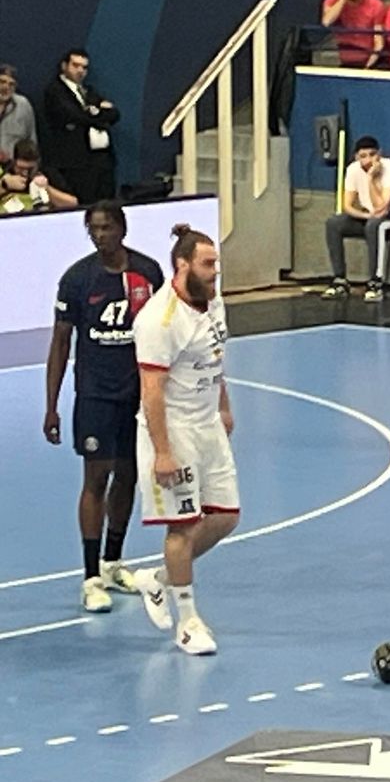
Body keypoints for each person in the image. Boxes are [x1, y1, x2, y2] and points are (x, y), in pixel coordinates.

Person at [43, 203, 163, 613]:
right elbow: (61, 342)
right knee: (96, 478)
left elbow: (164, 334)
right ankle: (91, 577)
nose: (99, 236)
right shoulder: (77, 279)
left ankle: (113, 563)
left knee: (128, 476)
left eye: (106, 228)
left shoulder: (147, 273)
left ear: (122, 229)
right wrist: (52, 406)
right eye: (93, 229)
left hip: (137, 395)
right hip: (96, 394)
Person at [130, 226, 238, 655]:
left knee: (226, 517)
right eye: (207, 264)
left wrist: (223, 405)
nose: (215, 271)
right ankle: (188, 623)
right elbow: (151, 390)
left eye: (216, 263)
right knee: (182, 525)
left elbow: (215, 354)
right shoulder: (159, 320)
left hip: (207, 423)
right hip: (174, 431)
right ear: (182, 265)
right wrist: (162, 452)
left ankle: (158, 579)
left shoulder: (213, 299)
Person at [322, 135, 390, 302]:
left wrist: (371, 179)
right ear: (356, 157)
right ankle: (340, 280)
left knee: (373, 225)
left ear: (379, 154)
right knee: (334, 223)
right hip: (368, 215)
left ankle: (375, 282)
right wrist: (365, 215)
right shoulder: (353, 170)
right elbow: (347, 205)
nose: (368, 160)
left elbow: (381, 207)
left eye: (372, 155)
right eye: (363, 156)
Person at [42, 49, 118, 207]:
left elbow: (114, 114)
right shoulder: (56, 91)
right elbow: (74, 115)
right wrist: (97, 113)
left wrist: (93, 114)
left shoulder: (89, 92)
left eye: (84, 67)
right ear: (64, 66)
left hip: (100, 160)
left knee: (107, 203)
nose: (80, 71)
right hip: (75, 163)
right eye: (75, 65)